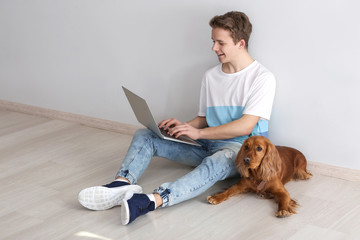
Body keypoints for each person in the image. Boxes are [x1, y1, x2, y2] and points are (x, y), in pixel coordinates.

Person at [78, 11, 276, 225]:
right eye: (213, 41)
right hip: (206, 143)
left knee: (216, 161)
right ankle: (121, 184)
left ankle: (151, 200)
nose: (214, 48)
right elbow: (204, 118)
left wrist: (198, 133)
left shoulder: (262, 78)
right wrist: (182, 127)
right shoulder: (211, 76)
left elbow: (246, 126)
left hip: (239, 151)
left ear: (240, 43)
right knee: (146, 135)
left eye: (220, 43)